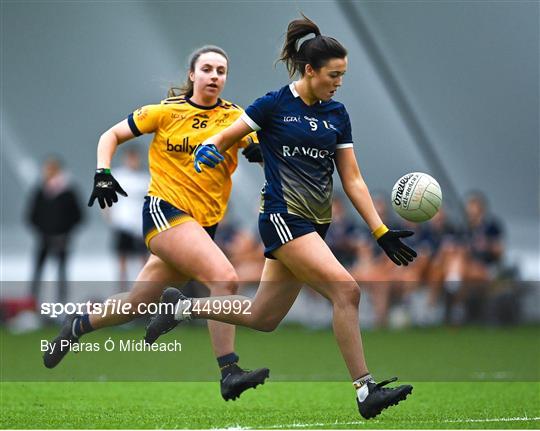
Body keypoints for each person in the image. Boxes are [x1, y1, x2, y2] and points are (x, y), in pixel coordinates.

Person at [146, 16, 417, 419]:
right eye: (333, 74)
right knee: (347, 291)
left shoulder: (337, 114)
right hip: (282, 219)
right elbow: (226, 135)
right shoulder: (274, 104)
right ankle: (365, 391)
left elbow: (353, 179)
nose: (339, 82)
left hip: (314, 226)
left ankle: (181, 308)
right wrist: (211, 148)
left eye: (343, 75)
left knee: (263, 316)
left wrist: (378, 229)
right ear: (310, 71)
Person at [43, 45, 268, 401]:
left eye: (221, 71)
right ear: (192, 75)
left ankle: (77, 325)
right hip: (165, 213)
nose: (214, 76)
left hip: (202, 225)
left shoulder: (236, 118)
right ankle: (229, 370)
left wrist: (260, 151)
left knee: (135, 304)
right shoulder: (164, 112)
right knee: (225, 278)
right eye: (207, 69)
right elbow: (110, 135)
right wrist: (102, 174)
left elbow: (261, 147)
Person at [26, 156, 83, 307]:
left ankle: (61, 303)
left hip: (62, 238)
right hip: (44, 237)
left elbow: (78, 216)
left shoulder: (68, 191)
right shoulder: (40, 191)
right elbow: (31, 215)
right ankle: (32, 302)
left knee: (61, 272)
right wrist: (42, 230)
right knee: (38, 270)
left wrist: (65, 232)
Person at [106, 146, 149, 290]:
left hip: (140, 225)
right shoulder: (117, 176)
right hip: (122, 224)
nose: (133, 161)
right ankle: (122, 289)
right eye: (130, 158)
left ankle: (142, 289)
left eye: (135, 158)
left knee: (143, 259)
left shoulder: (146, 178)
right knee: (122, 259)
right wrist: (110, 217)